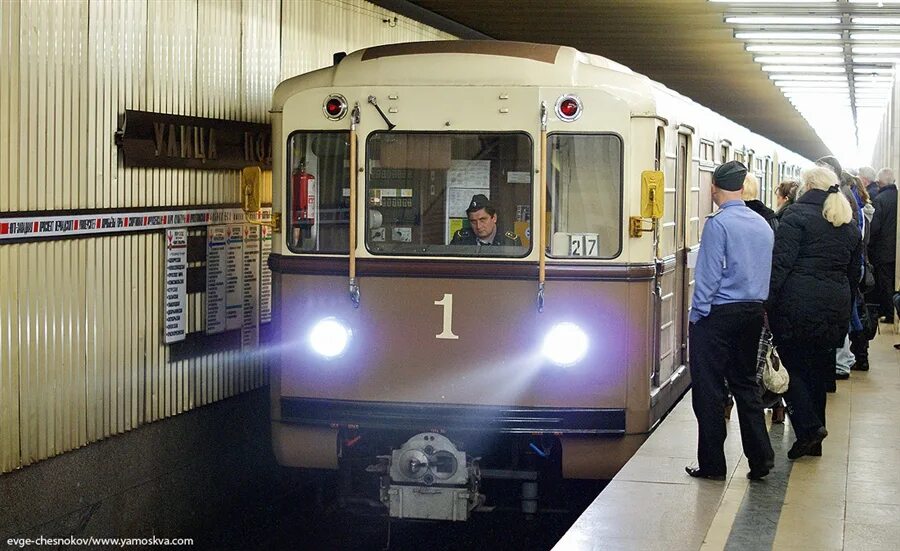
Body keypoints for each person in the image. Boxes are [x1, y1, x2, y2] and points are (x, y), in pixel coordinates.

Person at [686, 160, 775, 482]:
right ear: (741, 187)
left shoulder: (718, 224)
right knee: (746, 385)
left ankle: (713, 465)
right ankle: (761, 458)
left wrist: (697, 316)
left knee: (709, 391)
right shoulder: (761, 224)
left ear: (714, 189)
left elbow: (708, 277)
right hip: (752, 312)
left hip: (718, 315)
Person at [767, 166, 861, 460]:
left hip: (797, 304)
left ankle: (809, 428)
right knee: (819, 372)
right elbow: (854, 273)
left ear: (806, 187)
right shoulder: (847, 222)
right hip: (835, 306)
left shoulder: (795, 217)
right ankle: (814, 440)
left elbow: (781, 264)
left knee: (791, 367)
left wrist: (767, 302)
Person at [868, 167, 897, 323]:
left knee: (885, 283)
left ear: (880, 182)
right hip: (896, 249)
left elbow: (875, 227)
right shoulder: (898, 196)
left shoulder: (880, 199)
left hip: (884, 250)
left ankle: (890, 314)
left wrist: (869, 244)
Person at [450, 194, 521, 247]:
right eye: (473, 221)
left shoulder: (511, 241)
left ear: (494, 218)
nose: (478, 226)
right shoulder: (460, 239)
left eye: (482, 220)